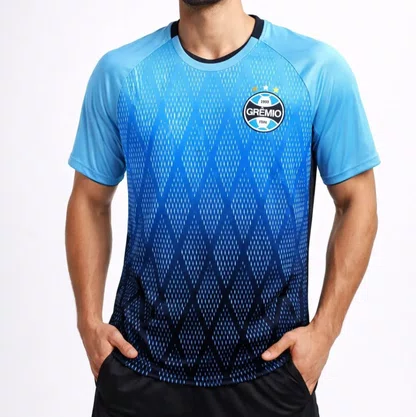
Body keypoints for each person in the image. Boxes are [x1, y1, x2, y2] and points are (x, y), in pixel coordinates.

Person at [65, 0, 380, 416]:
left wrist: (325, 332)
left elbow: (357, 200)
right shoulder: (122, 73)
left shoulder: (315, 69)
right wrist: (88, 324)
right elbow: (89, 199)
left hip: (272, 374)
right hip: (139, 373)